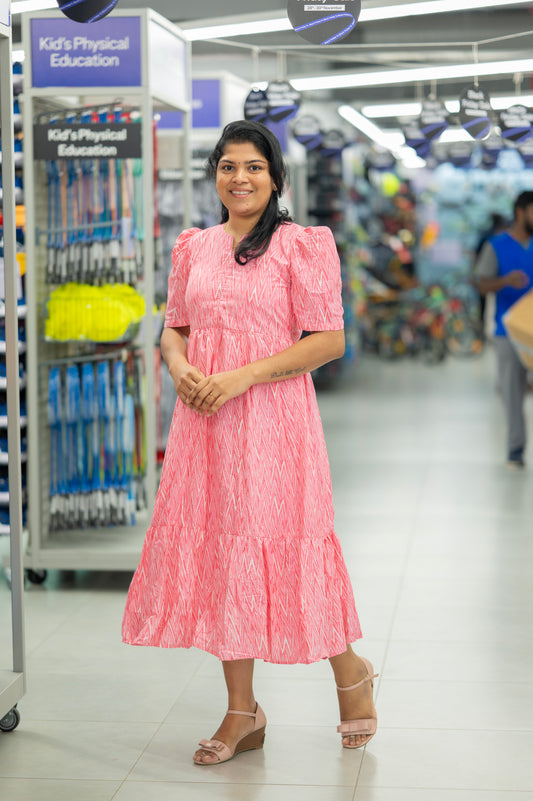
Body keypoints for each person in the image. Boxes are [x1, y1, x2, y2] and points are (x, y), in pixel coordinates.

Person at [122, 120, 377, 765]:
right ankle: (244, 713)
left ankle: (350, 671)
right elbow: (173, 327)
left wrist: (243, 376)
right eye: (229, 166)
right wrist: (180, 368)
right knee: (224, 554)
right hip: (206, 424)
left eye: (254, 168)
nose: (240, 178)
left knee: (294, 545)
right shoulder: (193, 248)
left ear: (275, 178)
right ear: (215, 175)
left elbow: (328, 340)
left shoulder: (303, 246)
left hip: (275, 424)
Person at [476, 191, 533, 468]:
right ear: (521, 212)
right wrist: (505, 281)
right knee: (512, 393)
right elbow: (482, 285)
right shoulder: (496, 246)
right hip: (507, 331)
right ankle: (515, 450)